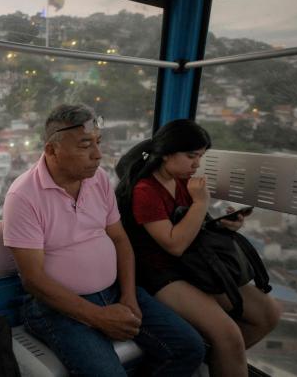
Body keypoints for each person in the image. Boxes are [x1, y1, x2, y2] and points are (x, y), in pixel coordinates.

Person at [2, 104, 205, 376]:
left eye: (98, 142)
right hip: (56, 308)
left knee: (190, 348)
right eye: (85, 145)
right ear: (52, 150)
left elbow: (120, 240)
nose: (98, 155)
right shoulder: (24, 197)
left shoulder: (97, 179)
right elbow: (34, 279)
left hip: (112, 292)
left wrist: (129, 296)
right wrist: (97, 317)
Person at [115, 119, 280, 377]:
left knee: (268, 313)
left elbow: (191, 225)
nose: (197, 164)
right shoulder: (145, 190)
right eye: (191, 156)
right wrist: (201, 203)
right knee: (228, 336)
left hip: (193, 264)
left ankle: (217, 362)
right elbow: (174, 244)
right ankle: (224, 358)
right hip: (161, 274)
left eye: (201, 156)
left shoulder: (181, 181)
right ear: (166, 154)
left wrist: (223, 225)